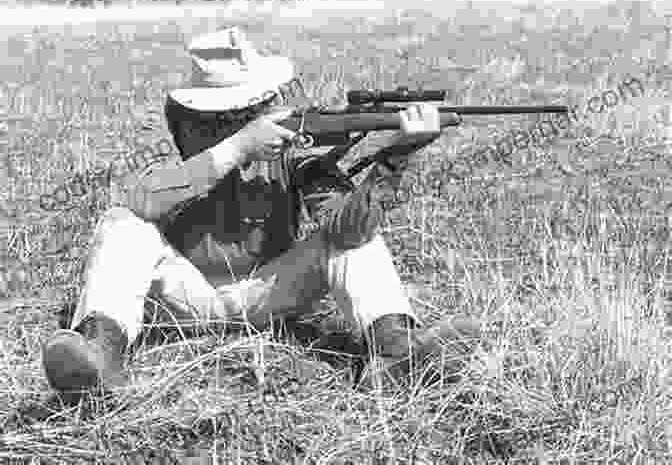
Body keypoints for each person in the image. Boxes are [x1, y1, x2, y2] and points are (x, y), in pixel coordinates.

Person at [42, 26, 482, 395]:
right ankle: (99, 356)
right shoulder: (186, 160)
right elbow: (139, 203)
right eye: (226, 117)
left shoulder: (296, 153)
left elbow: (348, 234)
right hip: (182, 299)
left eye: (247, 112)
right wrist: (237, 149)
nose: (237, 121)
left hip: (269, 291)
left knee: (360, 241)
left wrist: (393, 159)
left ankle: (393, 351)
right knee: (122, 226)